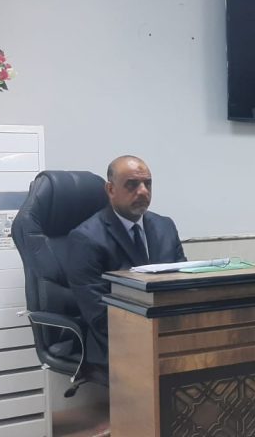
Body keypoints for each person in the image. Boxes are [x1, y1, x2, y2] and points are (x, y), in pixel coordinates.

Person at [67, 155, 186, 370]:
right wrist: (157, 332)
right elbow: (98, 313)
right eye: (132, 184)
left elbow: (183, 285)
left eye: (147, 183)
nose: (143, 191)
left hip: (167, 333)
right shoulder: (86, 238)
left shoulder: (165, 227)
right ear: (111, 189)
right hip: (116, 341)